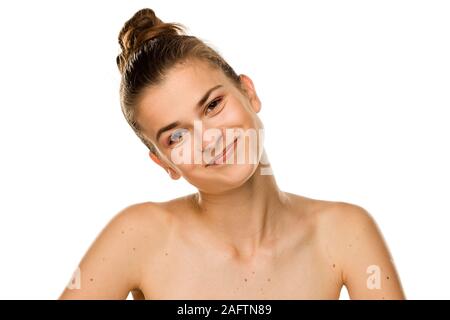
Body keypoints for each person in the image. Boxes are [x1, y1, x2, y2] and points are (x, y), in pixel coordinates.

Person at [59, 8, 405, 300]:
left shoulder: (344, 232)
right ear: (164, 163)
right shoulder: (139, 236)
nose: (208, 140)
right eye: (176, 136)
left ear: (248, 92)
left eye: (212, 105)